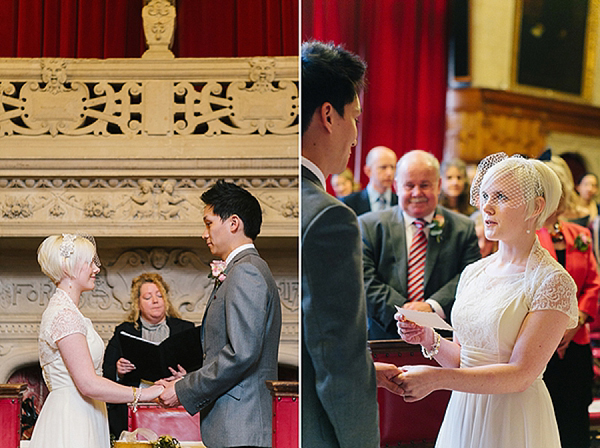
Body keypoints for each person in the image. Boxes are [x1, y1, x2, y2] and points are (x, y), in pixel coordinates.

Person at [394, 153, 579, 448]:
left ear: (537, 207)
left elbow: (520, 375)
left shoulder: (551, 281)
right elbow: (465, 360)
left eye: (502, 197)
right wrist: (429, 339)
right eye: (484, 195)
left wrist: (436, 379)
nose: (486, 207)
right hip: (464, 409)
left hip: (512, 416)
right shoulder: (474, 272)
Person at [157, 180, 282, 448]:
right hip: (235, 425)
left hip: (241, 427)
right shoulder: (243, 269)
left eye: (209, 223)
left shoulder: (246, 272)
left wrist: (183, 389)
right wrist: (187, 377)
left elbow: (241, 353)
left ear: (233, 223)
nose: (205, 233)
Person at [29, 234, 164, 448]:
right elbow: (88, 384)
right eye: (90, 262)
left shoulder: (70, 312)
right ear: (68, 267)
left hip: (85, 411)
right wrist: (145, 394)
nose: (96, 269)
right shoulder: (64, 314)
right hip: (73, 418)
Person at [359, 150, 480, 340]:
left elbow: (470, 276)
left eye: (425, 185)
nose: (417, 193)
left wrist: (432, 307)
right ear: (397, 186)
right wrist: (406, 314)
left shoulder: (462, 228)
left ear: (439, 185)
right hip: (384, 337)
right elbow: (363, 279)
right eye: (409, 186)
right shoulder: (369, 226)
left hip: (443, 341)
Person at [537, 161, 600, 448]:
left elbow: (593, 283)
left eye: (563, 189)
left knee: (575, 414)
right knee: (543, 415)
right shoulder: (527, 237)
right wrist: (555, 327)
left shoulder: (580, 234)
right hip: (539, 343)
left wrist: (575, 322)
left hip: (577, 340)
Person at [102, 272, 195, 438]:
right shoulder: (124, 331)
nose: (155, 300)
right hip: (137, 407)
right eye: (148, 297)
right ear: (137, 304)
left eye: (160, 295)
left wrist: (185, 377)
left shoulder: (185, 328)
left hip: (178, 404)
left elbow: (204, 368)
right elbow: (106, 371)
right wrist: (118, 371)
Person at [341, 146, 398, 215]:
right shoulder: (349, 203)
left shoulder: (401, 203)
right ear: (368, 171)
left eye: (393, 167)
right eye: (383, 167)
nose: (389, 173)